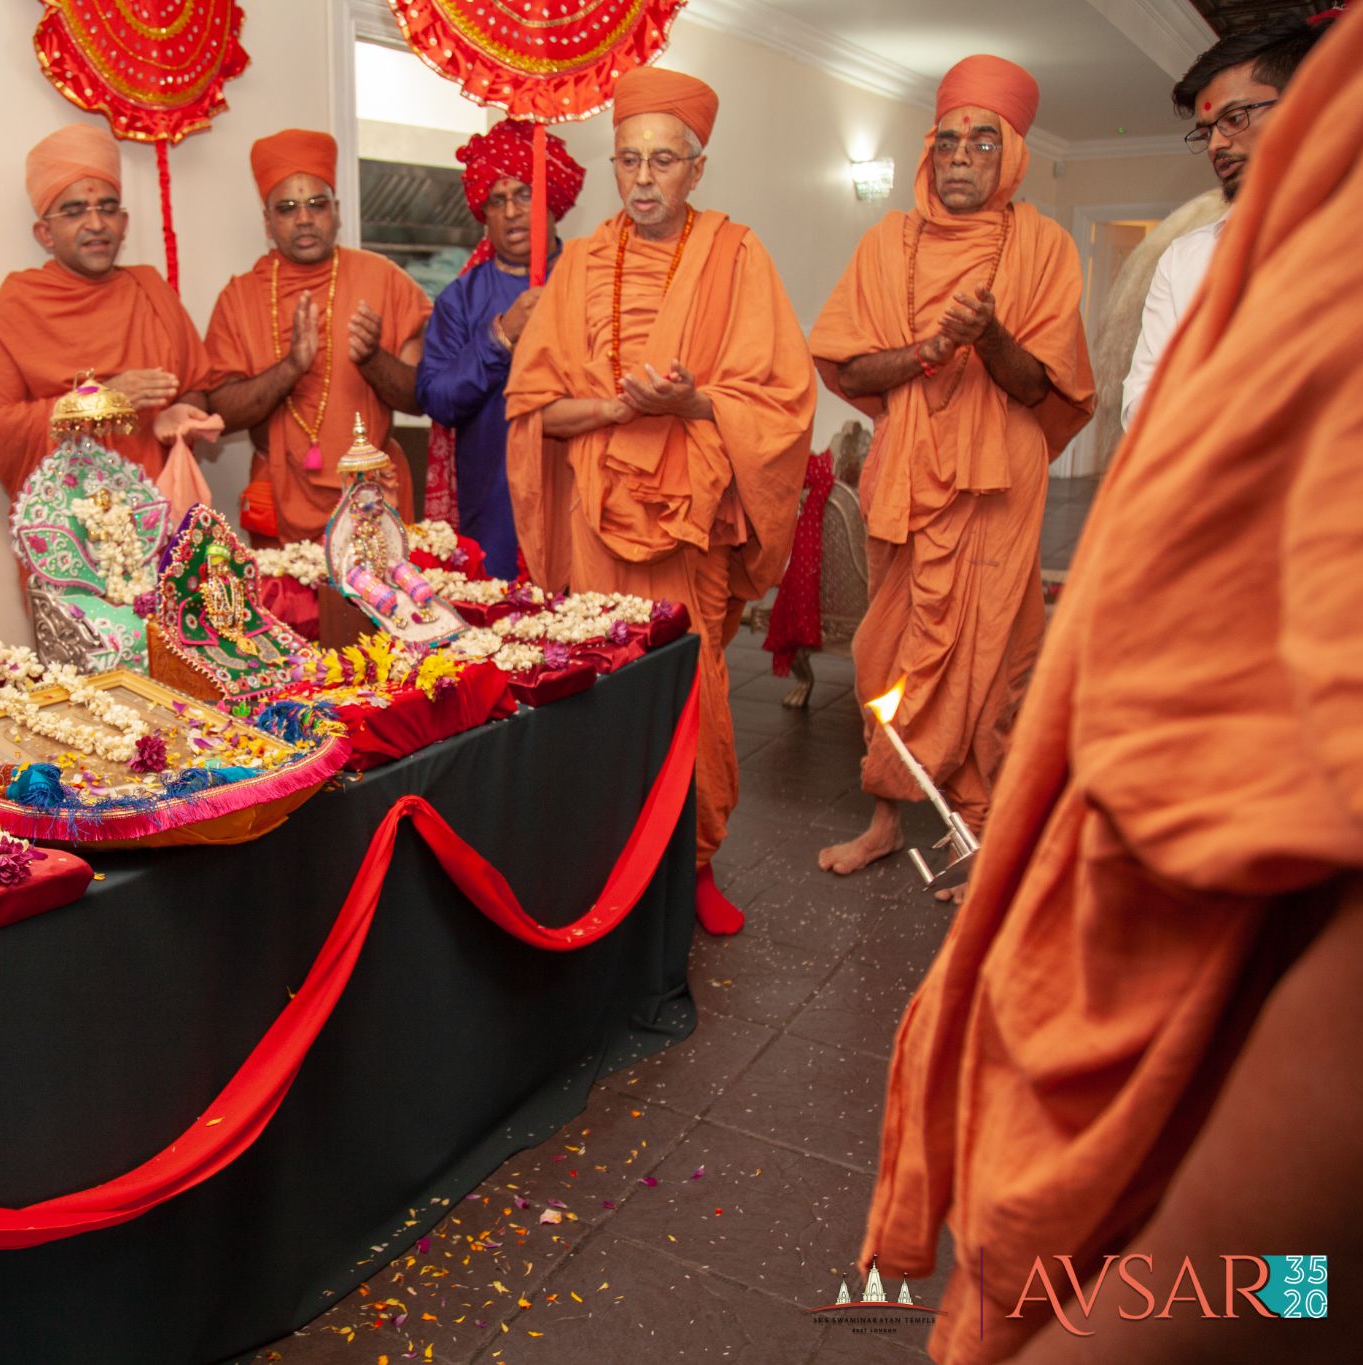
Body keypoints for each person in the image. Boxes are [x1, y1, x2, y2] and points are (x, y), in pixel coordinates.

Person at [864, 17, 1363, 1362]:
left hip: (1234, 797)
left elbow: (1073, 399)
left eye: (1253, 114)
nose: (1226, 139)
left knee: (1241, 1245)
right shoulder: (1209, 250)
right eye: (1211, 123)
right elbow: (1155, 434)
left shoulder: (1320, 252)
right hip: (1143, 676)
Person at [503, 67, 816, 935]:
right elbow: (535, 408)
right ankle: (610, 865)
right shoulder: (580, 268)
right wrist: (617, 407)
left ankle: (698, 862)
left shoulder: (737, 255)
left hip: (687, 522)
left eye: (663, 161)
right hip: (594, 520)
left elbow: (781, 401)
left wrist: (690, 403)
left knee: (693, 689)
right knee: (602, 691)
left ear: (697, 168)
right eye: (629, 161)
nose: (643, 179)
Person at [810, 55, 1095, 897]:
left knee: (990, 667)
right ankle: (886, 822)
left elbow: (1043, 386)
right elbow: (852, 371)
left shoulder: (1041, 247)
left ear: (1010, 157)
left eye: (982, 141)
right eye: (947, 141)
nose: (961, 155)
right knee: (881, 662)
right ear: (927, 152)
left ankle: (981, 835)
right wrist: (931, 349)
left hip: (998, 493)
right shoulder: (884, 243)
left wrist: (990, 336)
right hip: (905, 485)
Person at [205, 129, 430, 544]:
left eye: (316, 204)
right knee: (282, 609)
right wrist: (290, 369)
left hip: (372, 497)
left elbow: (421, 398)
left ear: (337, 211)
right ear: (268, 223)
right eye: (287, 207)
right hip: (277, 497)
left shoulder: (385, 280)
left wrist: (372, 360)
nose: (304, 218)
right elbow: (218, 413)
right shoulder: (241, 297)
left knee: (379, 608)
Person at [0, 123, 214, 497]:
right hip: (67, 528)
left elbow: (197, 387)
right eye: (74, 211)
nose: (96, 224)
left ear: (124, 223)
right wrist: (100, 400)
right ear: (45, 234)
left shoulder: (149, 289)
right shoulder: (18, 304)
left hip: (158, 510)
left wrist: (180, 414)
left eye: (108, 208)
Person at [1121, 16, 1329, 428]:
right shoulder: (1185, 258)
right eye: (1206, 132)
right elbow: (1140, 405)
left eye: (1235, 118)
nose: (1216, 144)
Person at [416, 120, 585, 580]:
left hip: (583, 504)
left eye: (526, 194)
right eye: (497, 199)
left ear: (553, 201)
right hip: (494, 518)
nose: (512, 211)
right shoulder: (461, 299)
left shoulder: (591, 281)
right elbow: (437, 399)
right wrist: (500, 337)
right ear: (483, 213)